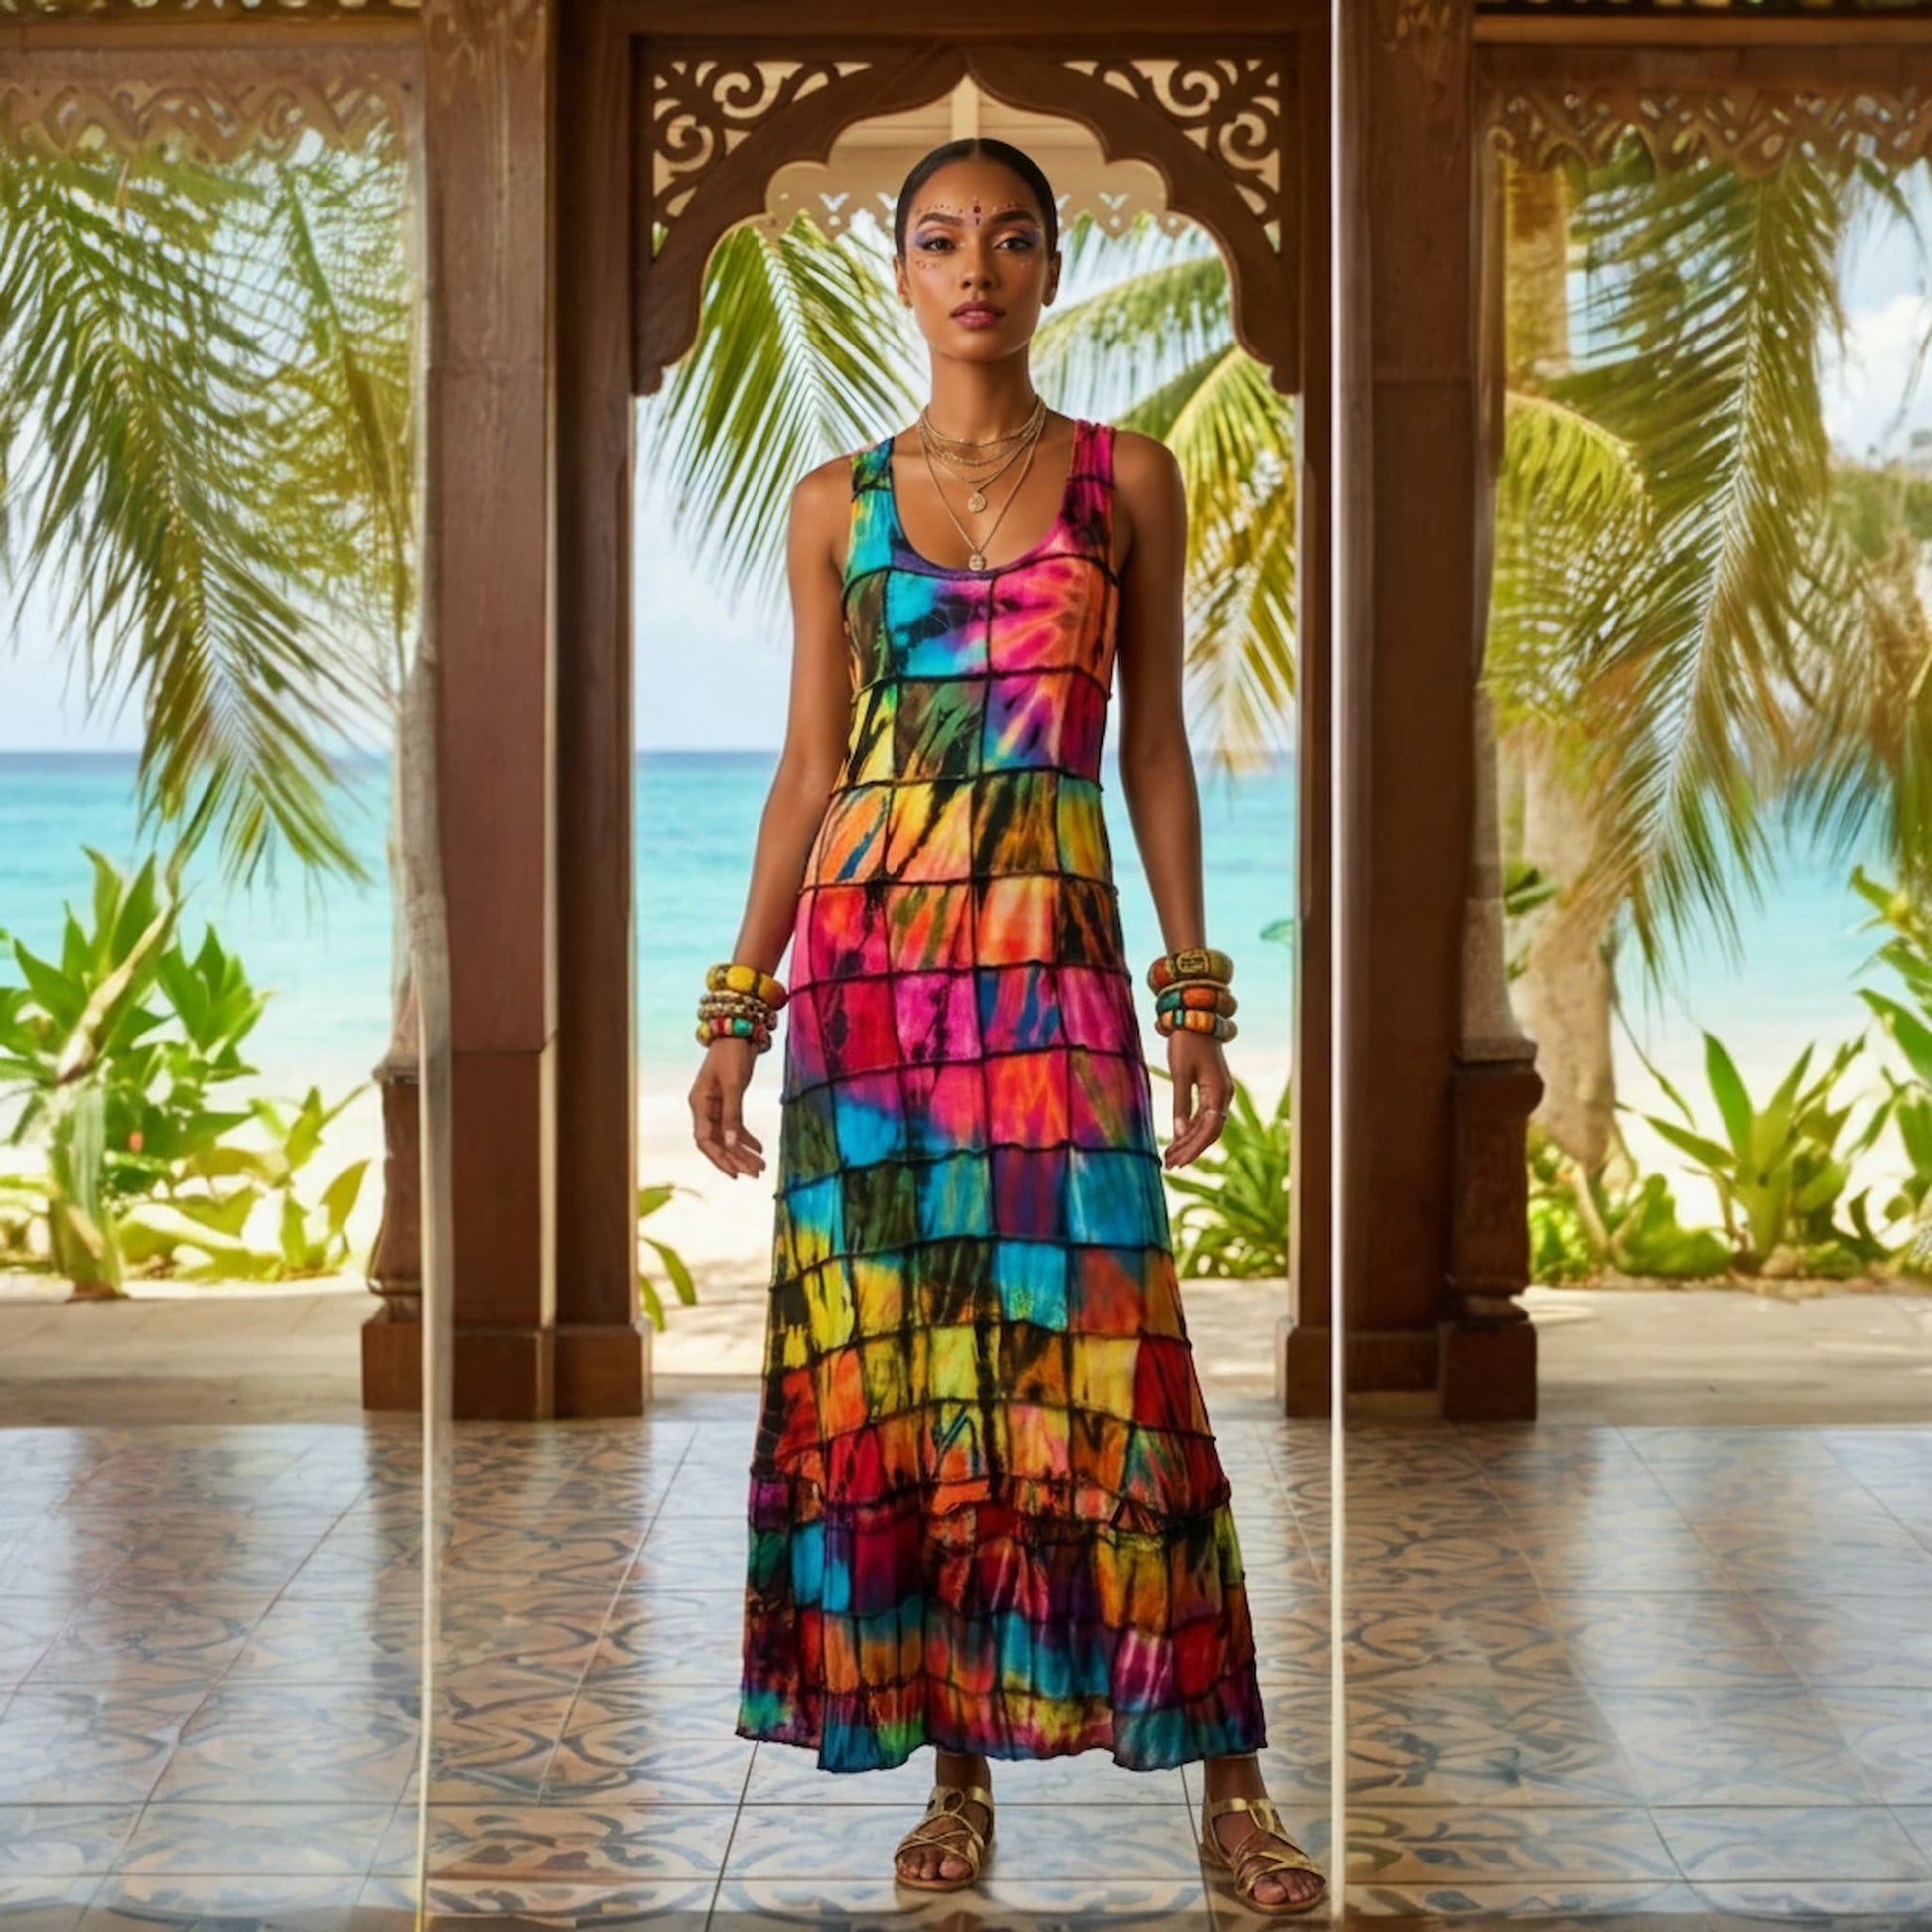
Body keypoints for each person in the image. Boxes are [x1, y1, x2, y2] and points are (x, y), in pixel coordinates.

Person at [685, 135, 1326, 1916]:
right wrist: (739, 1008)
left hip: (1052, 986)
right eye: (942, 239)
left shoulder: (1130, 480)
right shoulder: (835, 500)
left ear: (1053, 266)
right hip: (876, 997)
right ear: (902, 270)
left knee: (1117, 1375)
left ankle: (1231, 1788)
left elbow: (1157, 746)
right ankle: (955, 1783)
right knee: (917, 1374)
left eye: (1012, 238)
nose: (977, 267)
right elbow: (812, 768)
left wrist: (1191, 998)